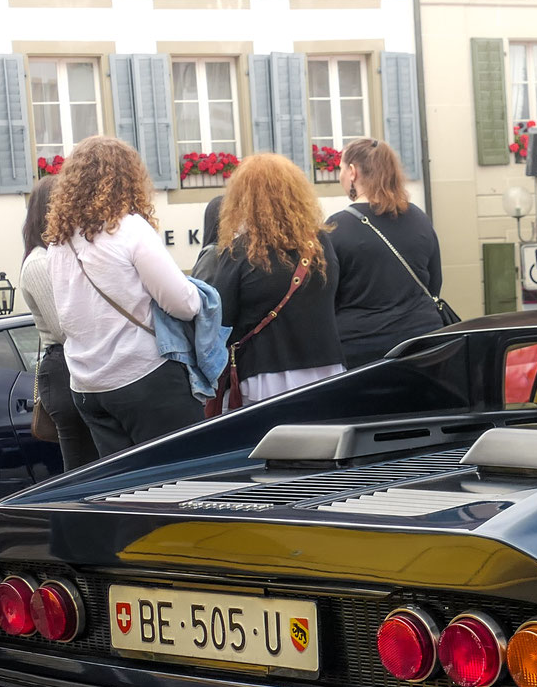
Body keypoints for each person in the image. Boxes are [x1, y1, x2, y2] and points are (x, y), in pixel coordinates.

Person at [45, 136, 204, 456]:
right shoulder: (129, 229)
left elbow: (66, 319)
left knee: (125, 489)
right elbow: (183, 304)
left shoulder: (59, 244)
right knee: (184, 478)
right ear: (126, 178)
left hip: (88, 386)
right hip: (142, 376)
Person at [211, 153, 345, 402]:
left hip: (265, 375)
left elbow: (221, 319)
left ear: (244, 199)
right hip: (326, 369)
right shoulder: (320, 244)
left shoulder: (240, 252)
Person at [327, 138, 445, 369]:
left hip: (360, 349)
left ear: (352, 172)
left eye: (340, 168)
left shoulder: (335, 227)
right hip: (423, 343)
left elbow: (326, 297)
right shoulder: (419, 218)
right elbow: (434, 282)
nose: (340, 174)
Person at [19, 176, 96, 471]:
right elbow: (64, 329)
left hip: (71, 365)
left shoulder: (54, 257)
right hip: (63, 367)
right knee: (81, 469)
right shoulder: (39, 263)